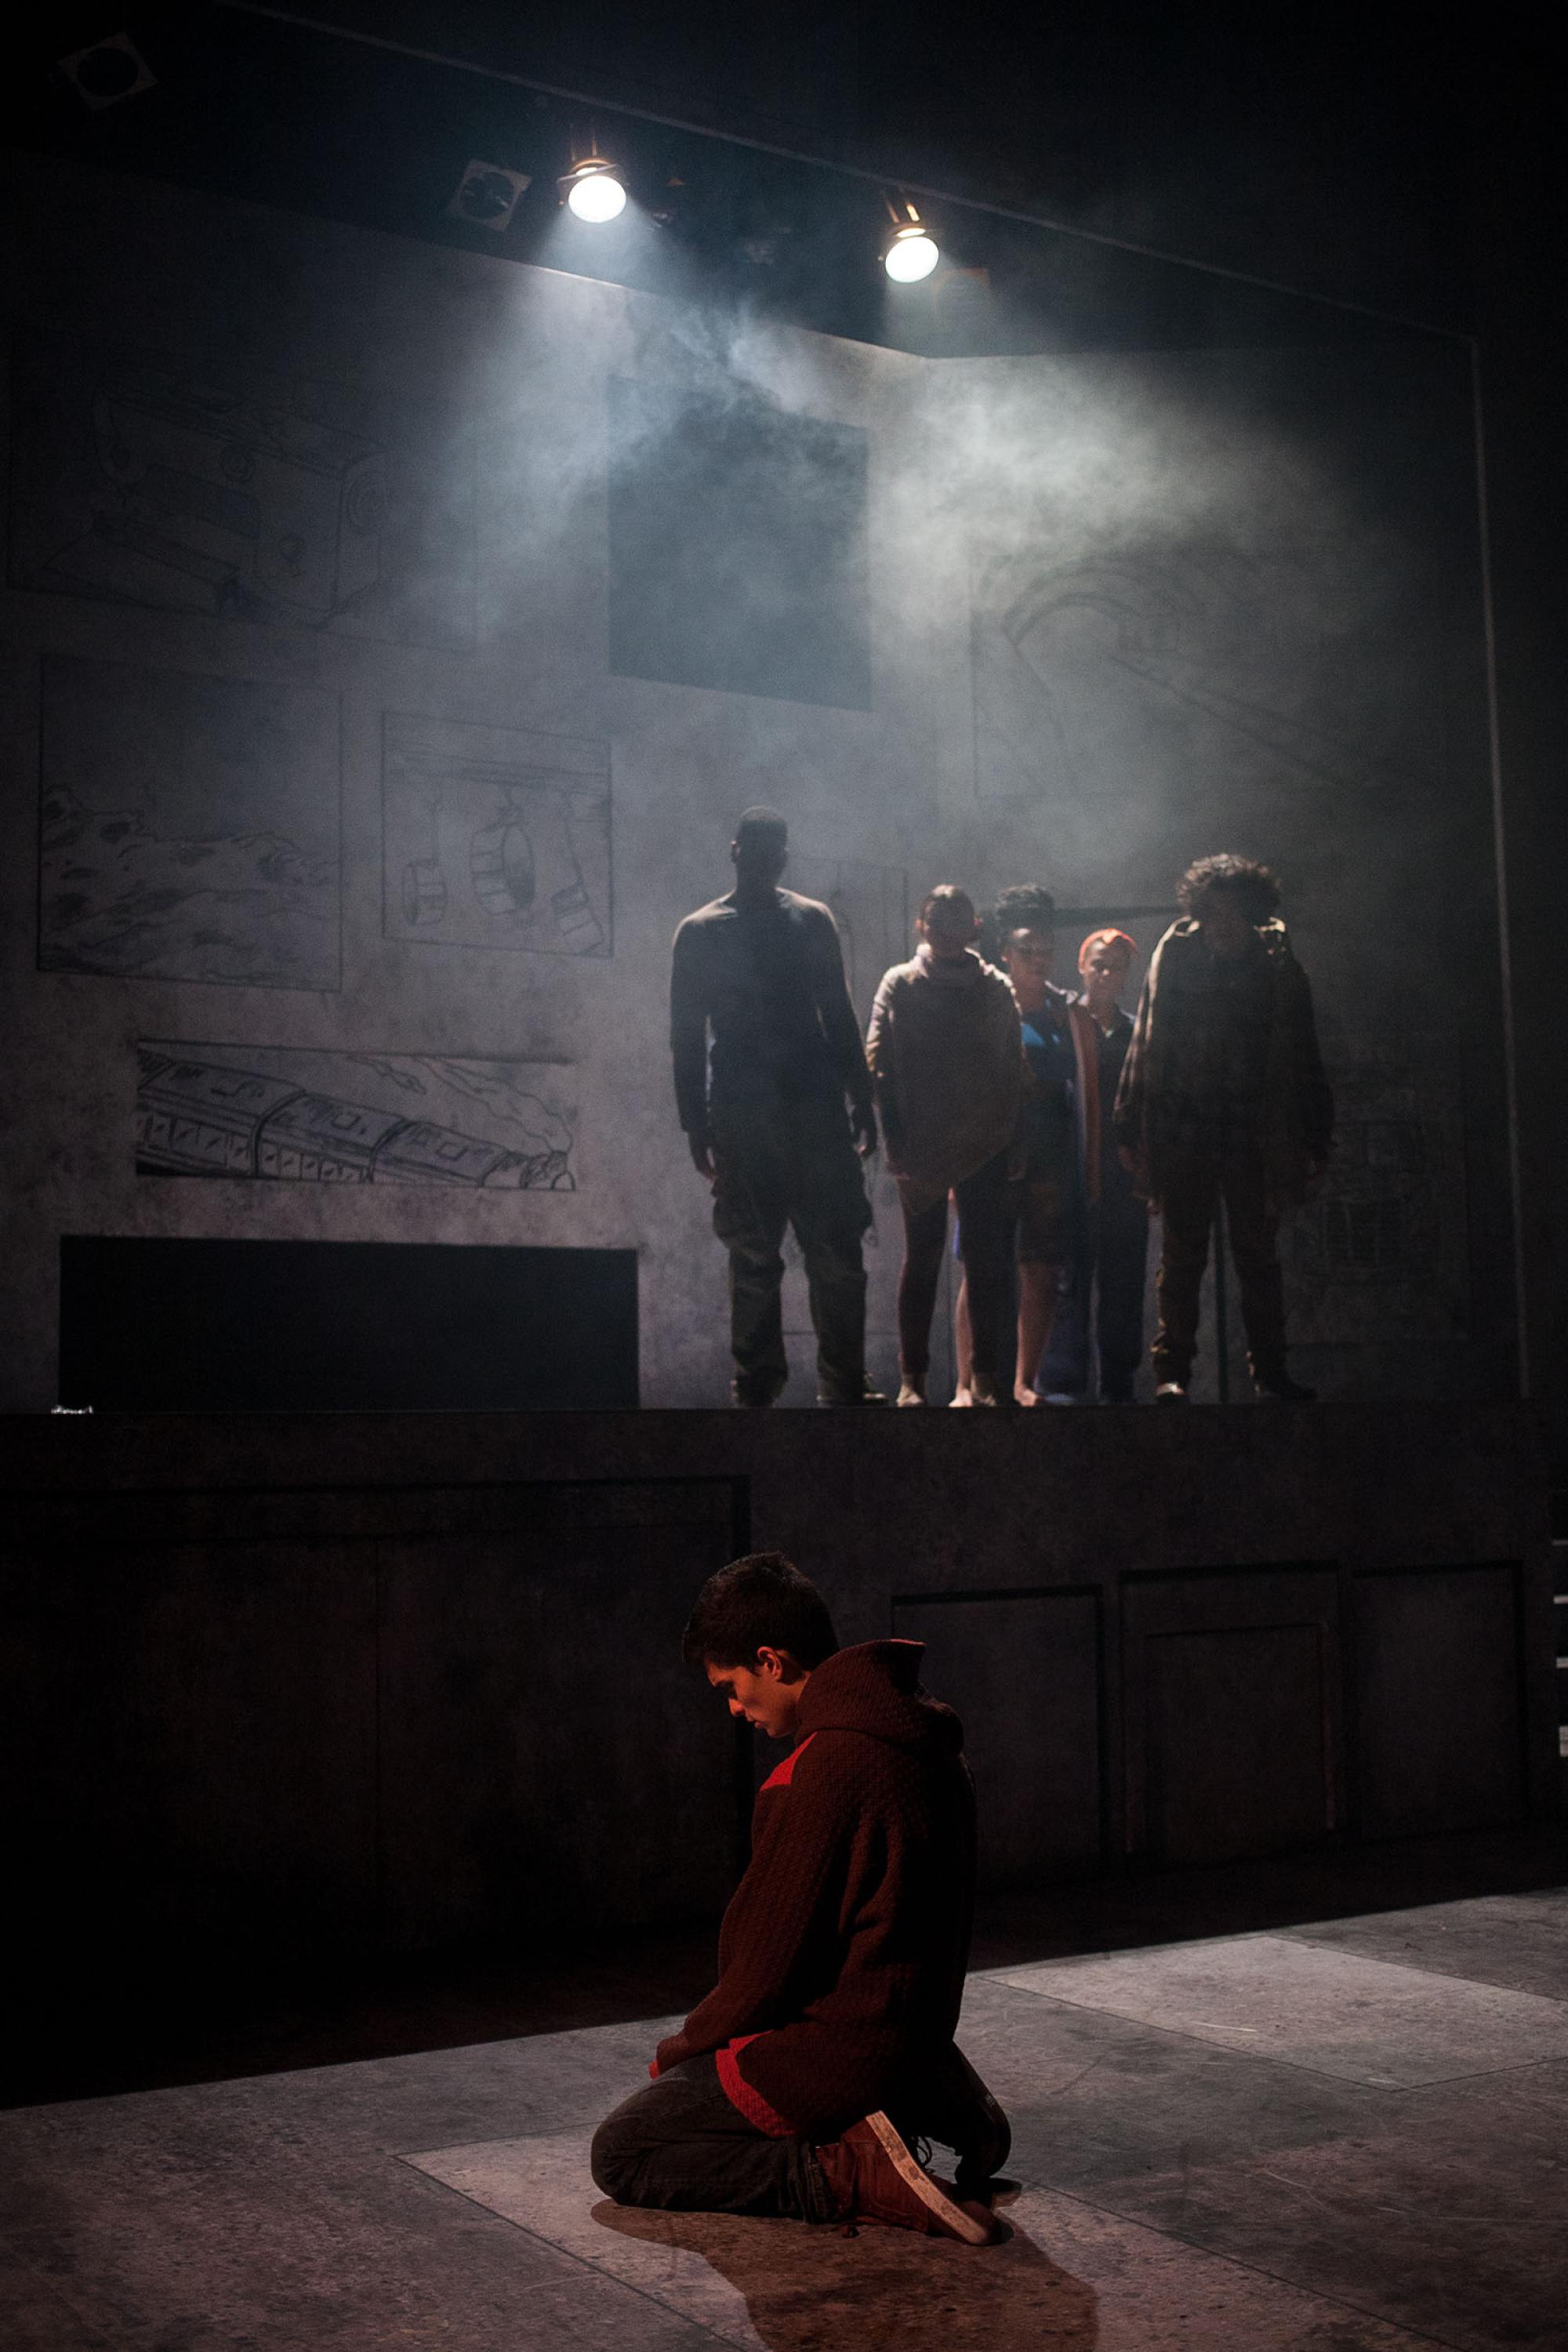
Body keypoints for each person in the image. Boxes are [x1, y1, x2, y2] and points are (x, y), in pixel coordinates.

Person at [590, 1552, 1011, 2243]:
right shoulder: (925, 1740)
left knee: (627, 2150)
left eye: (731, 1685)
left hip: (845, 2053)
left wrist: (685, 2046)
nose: (733, 1708)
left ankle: (846, 2171)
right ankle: (934, 2100)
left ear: (772, 1660)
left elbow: (768, 1968)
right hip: (918, 2032)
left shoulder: (823, 1769)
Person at [670, 809, 881, 1408]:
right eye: (757, 850)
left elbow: (838, 1015)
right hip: (746, 1114)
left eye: (774, 851)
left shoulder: (810, 921)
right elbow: (686, 1036)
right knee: (756, 1257)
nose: (766, 860)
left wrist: (860, 1099)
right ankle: (759, 1384)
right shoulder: (703, 932)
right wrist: (695, 1122)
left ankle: (842, 1382)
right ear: (735, 852)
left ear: (781, 857)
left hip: (811, 1110)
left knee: (837, 1256)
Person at [1114, 855, 1333, 1403]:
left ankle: (1270, 1372)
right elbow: (1148, 1039)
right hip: (1187, 1130)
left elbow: (1302, 1053)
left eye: (1233, 912)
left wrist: (1315, 1133)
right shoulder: (1178, 955)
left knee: (1257, 1256)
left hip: (1253, 1134)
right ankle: (1173, 1373)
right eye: (1214, 913)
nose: (1223, 924)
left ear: (1252, 912)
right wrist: (1129, 1127)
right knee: (1183, 1256)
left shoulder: (1277, 963)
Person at [866, 887, 1022, 1406]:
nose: (945, 927)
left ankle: (986, 1379)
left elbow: (1012, 1067)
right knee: (925, 1258)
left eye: (956, 918)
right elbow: (878, 1064)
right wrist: (895, 1139)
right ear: (921, 925)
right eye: (937, 917)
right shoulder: (902, 983)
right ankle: (912, 1380)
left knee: (984, 1262)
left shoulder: (995, 986)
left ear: (974, 927)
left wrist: (1009, 1136)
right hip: (923, 1143)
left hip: (983, 1140)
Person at [949, 887, 1101, 1408]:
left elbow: (1084, 1094)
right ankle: (968, 1383)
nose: (1037, 962)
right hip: (989, 1160)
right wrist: (956, 1168)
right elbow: (962, 1090)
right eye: (1026, 953)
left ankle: (1023, 1381)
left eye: (1045, 953)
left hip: (1049, 1163)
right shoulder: (985, 1006)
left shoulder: (1066, 1014)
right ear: (1005, 956)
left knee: (1040, 1270)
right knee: (981, 1269)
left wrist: (1090, 1166)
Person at [1038, 929, 1151, 1404]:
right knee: (1067, 1281)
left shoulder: (1138, 1033)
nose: (1106, 974)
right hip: (1069, 1173)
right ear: (1082, 965)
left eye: (1117, 966)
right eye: (1098, 963)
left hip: (1124, 1178)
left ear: (1128, 975)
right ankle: (1063, 1384)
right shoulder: (1060, 1026)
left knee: (1123, 1282)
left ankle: (1118, 1385)